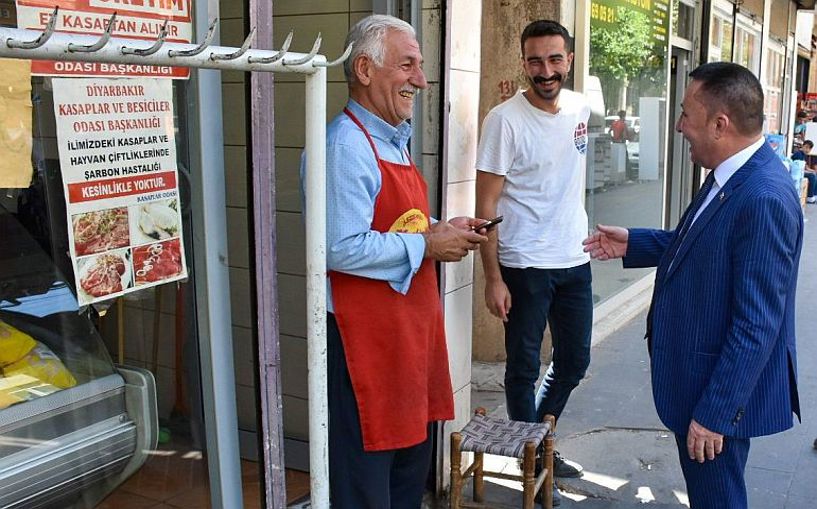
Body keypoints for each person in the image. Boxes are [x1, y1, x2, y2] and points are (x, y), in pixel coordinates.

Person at [583, 62, 802, 508]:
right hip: (701, 382)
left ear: (720, 124)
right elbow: (700, 245)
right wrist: (634, 244)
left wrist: (714, 414)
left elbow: (758, 324)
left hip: (716, 395)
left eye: (686, 114)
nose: (680, 126)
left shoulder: (762, 197)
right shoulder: (731, 175)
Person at [300, 15, 488, 508]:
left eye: (420, 67)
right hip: (364, 348)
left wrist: (440, 229)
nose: (421, 81)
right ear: (364, 68)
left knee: (407, 479)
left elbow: (391, 225)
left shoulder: (391, 139)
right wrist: (427, 245)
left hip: (406, 342)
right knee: (365, 490)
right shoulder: (344, 146)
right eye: (407, 65)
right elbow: (338, 246)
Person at [475, 19, 591, 494]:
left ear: (568, 59)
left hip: (574, 259)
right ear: (523, 63)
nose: (545, 71)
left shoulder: (582, 108)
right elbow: (484, 208)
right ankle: (529, 470)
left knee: (574, 361)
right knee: (522, 366)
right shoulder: (504, 120)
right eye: (535, 61)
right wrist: (493, 278)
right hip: (523, 266)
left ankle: (539, 441)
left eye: (554, 59)